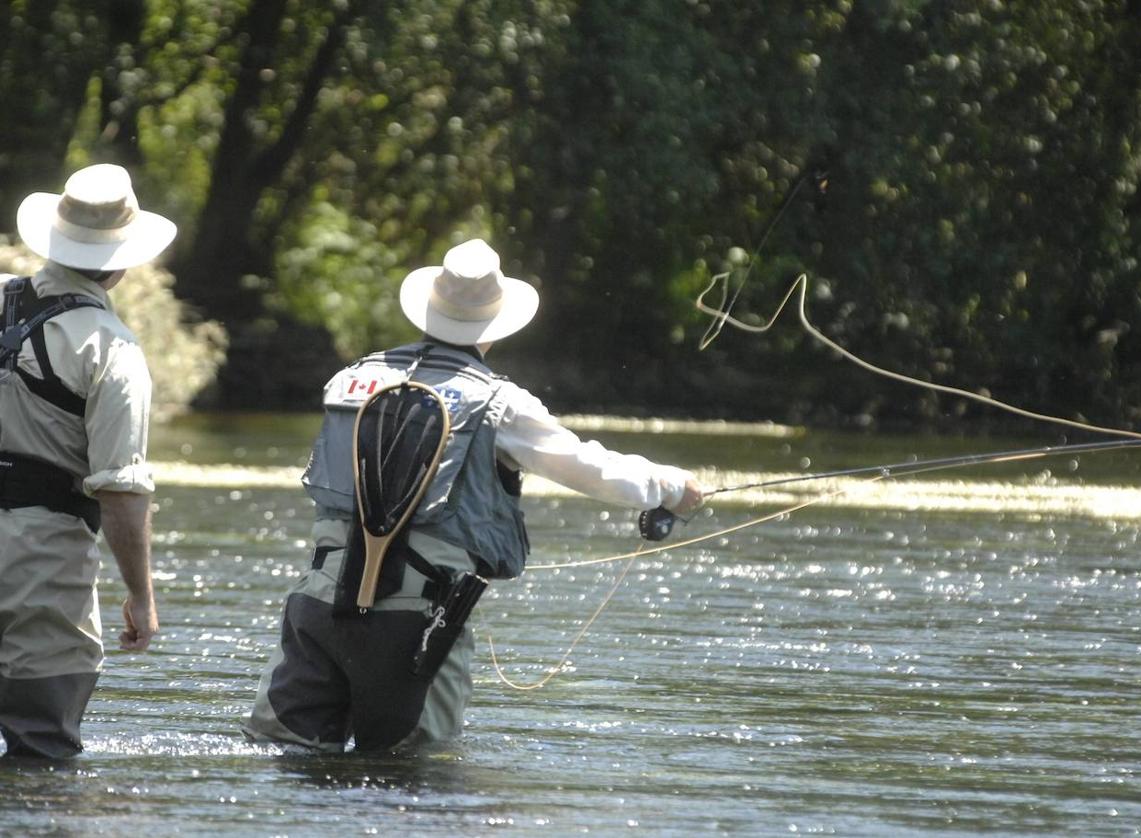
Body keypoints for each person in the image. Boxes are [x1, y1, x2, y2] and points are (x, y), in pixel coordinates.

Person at [243, 238, 704, 752]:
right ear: (497, 325)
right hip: (415, 627)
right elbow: (586, 468)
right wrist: (668, 485)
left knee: (283, 761)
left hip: (315, 608)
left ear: (428, 311)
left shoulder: (351, 379)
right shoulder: (501, 404)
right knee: (418, 783)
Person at [0, 163, 176, 758]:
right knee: (41, 754)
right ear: (122, 259)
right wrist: (141, 596)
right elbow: (122, 491)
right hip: (39, 564)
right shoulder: (111, 347)